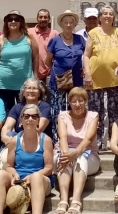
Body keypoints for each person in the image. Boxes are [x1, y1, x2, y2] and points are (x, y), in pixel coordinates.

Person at [0, 104, 55, 214]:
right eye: (26, 116)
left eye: (34, 116)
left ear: (38, 120)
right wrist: (14, 174)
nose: (30, 119)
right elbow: (9, 166)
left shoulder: (46, 140)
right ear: (21, 120)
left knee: (36, 176)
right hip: (20, 180)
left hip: (40, 180)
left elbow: (49, 168)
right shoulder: (15, 140)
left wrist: (31, 177)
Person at [82, 5, 118, 150]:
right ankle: (97, 142)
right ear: (100, 18)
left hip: (115, 80)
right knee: (96, 112)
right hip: (95, 80)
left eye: (110, 14)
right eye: (105, 14)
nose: (107, 16)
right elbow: (86, 55)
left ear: (113, 18)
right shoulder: (93, 33)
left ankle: (115, 141)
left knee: (115, 112)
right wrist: (87, 73)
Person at [54, 87, 99, 214]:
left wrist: (75, 154)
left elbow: (88, 140)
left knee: (80, 159)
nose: (77, 104)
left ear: (86, 101)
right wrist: (66, 155)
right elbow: (62, 138)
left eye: (80, 101)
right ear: (69, 103)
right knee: (64, 159)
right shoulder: (63, 115)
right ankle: (63, 200)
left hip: (88, 155)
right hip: (65, 152)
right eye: (74, 101)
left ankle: (76, 200)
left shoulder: (93, 116)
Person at [45, 11, 87, 139]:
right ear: (62, 25)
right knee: (59, 110)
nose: (68, 25)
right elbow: (48, 61)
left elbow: (86, 56)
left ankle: (75, 136)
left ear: (74, 24)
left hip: (77, 81)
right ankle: (58, 138)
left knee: (76, 107)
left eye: (71, 22)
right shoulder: (55, 41)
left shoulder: (80, 39)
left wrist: (84, 68)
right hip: (59, 81)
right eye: (66, 22)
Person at [0, 10, 39, 111]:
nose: (13, 21)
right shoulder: (1, 39)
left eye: (16, 19)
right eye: (10, 19)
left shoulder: (29, 38)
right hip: (4, 84)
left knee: (25, 112)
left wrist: (35, 77)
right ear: (6, 22)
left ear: (21, 22)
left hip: (25, 83)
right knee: (7, 114)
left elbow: (36, 58)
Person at [0, 77, 53, 149]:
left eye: (34, 88)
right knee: (10, 134)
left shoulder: (45, 107)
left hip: (39, 141)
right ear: (23, 93)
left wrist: (16, 141)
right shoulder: (17, 107)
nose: (31, 91)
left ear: (39, 93)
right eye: (28, 88)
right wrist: (4, 138)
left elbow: (38, 129)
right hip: (17, 140)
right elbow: (7, 126)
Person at [28, 9, 58, 91]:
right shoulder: (28, 32)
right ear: (37, 18)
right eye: (40, 17)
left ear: (49, 19)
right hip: (31, 73)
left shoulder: (54, 34)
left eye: (45, 17)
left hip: (48, 74)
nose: (43, 19)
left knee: (47, 100)